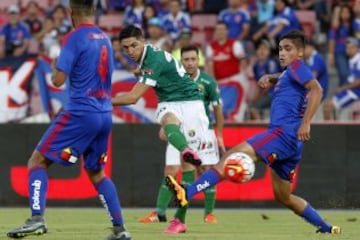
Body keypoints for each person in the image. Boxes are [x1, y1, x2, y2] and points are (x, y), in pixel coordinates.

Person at [166, 30, 341, 235]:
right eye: (280, 49)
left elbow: (317, 89)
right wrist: (271, 77)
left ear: (300, 52)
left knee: (231, 157)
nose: (282, 53)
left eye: (288, 49)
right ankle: (326, 227)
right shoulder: (291, 71)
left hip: (282, 134)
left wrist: (306, 123)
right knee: (284, 197)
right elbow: (288, 78)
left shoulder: (297, 66)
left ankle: (187, 192)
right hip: (292, 144)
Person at [6, 1, 131, 240]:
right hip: (105, 113)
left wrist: (56, 67)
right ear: (94, 11)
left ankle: (36, 219)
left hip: (81, 111)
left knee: (37, 160)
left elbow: (58, 81)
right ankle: (120, 229)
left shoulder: (74, 38)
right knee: (96, 173)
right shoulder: (104, 38)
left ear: (70, 12)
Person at [138, 45, 224, 231]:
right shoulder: (173, 77)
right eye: (186, 59)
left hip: (202, 130)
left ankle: (208, 213)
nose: (190, 63)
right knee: (171, 169)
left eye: (193, 59)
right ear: (181, 61)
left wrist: (219, 134)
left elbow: (217, 109)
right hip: (177, 129)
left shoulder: (207, 82)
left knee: (204, 170)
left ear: (198, 60)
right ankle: (160, 212)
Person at [113, 25, 209, 181]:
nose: (130, 51)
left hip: (190, 103)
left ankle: (197, 173)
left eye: (133, 45)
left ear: (143, 41)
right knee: (165, 130)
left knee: (195, 167)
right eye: (125, 48)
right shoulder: (148, 53)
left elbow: (133, 98)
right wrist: (140, 71)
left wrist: (102, 101)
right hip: (175, 102)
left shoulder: (152, 61)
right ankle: (185, 150)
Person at [324, 37, 360, 120]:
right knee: (327, 104)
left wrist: (343, 88)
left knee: (328, 107)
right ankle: (333, 129)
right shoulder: (351, 59)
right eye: (347, 47)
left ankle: (329, 132)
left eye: (350, 47)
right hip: (350, 90)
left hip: (355, 92)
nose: (348, 49)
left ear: (356, 48)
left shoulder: (359, 60)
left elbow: (359, 81)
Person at [249, 39, 280, 120]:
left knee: (254, 109)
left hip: (273, 93)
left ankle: (260, 129)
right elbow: (257, 84)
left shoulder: (270, 63)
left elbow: (270, 84)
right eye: (260, 49)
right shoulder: (255, 66)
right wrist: (254, 99)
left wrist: (258, 97)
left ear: (269, 52)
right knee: (250, 106)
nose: (262, 51)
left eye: (265, 49)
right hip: (264, 94)